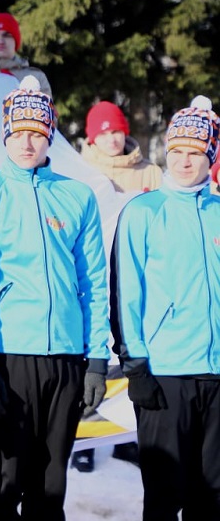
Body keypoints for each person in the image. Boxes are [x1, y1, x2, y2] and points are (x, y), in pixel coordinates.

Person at [0, 76, 110, 519]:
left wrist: (95, 361)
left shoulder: (76, 196)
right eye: (19, 132)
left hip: (66, 356)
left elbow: (93, 281)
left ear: (49, 134)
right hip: (7, 356)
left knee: (50, 486)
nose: (27, 142)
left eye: (36, 132)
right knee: (5, 480)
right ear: (5, 134)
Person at [115, 95, 220, 520]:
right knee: (163, 496)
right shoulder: (143, 211)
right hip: (165, 374)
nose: (183, 161)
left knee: (212, 497)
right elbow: (127, 292)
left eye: (194, 153)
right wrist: (135, 365)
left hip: (216, 375)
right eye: (176, 151)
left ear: (210, 157)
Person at [72, 99, 160, 472]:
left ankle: (127, 433)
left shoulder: (151, 173)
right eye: (103, 132)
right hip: (97, 266)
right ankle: (88, 439)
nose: (111, 138)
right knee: (98, 355)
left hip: (137, 270)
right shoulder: (81, 171)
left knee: (132, 351)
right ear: (93, 138)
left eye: (116, 130)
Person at [81, 101, 162, 193]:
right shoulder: (82, 172)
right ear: (93, 140)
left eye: (115, 132)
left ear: (124, 133)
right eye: (103, 134)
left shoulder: (151, 173)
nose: (111, 140)